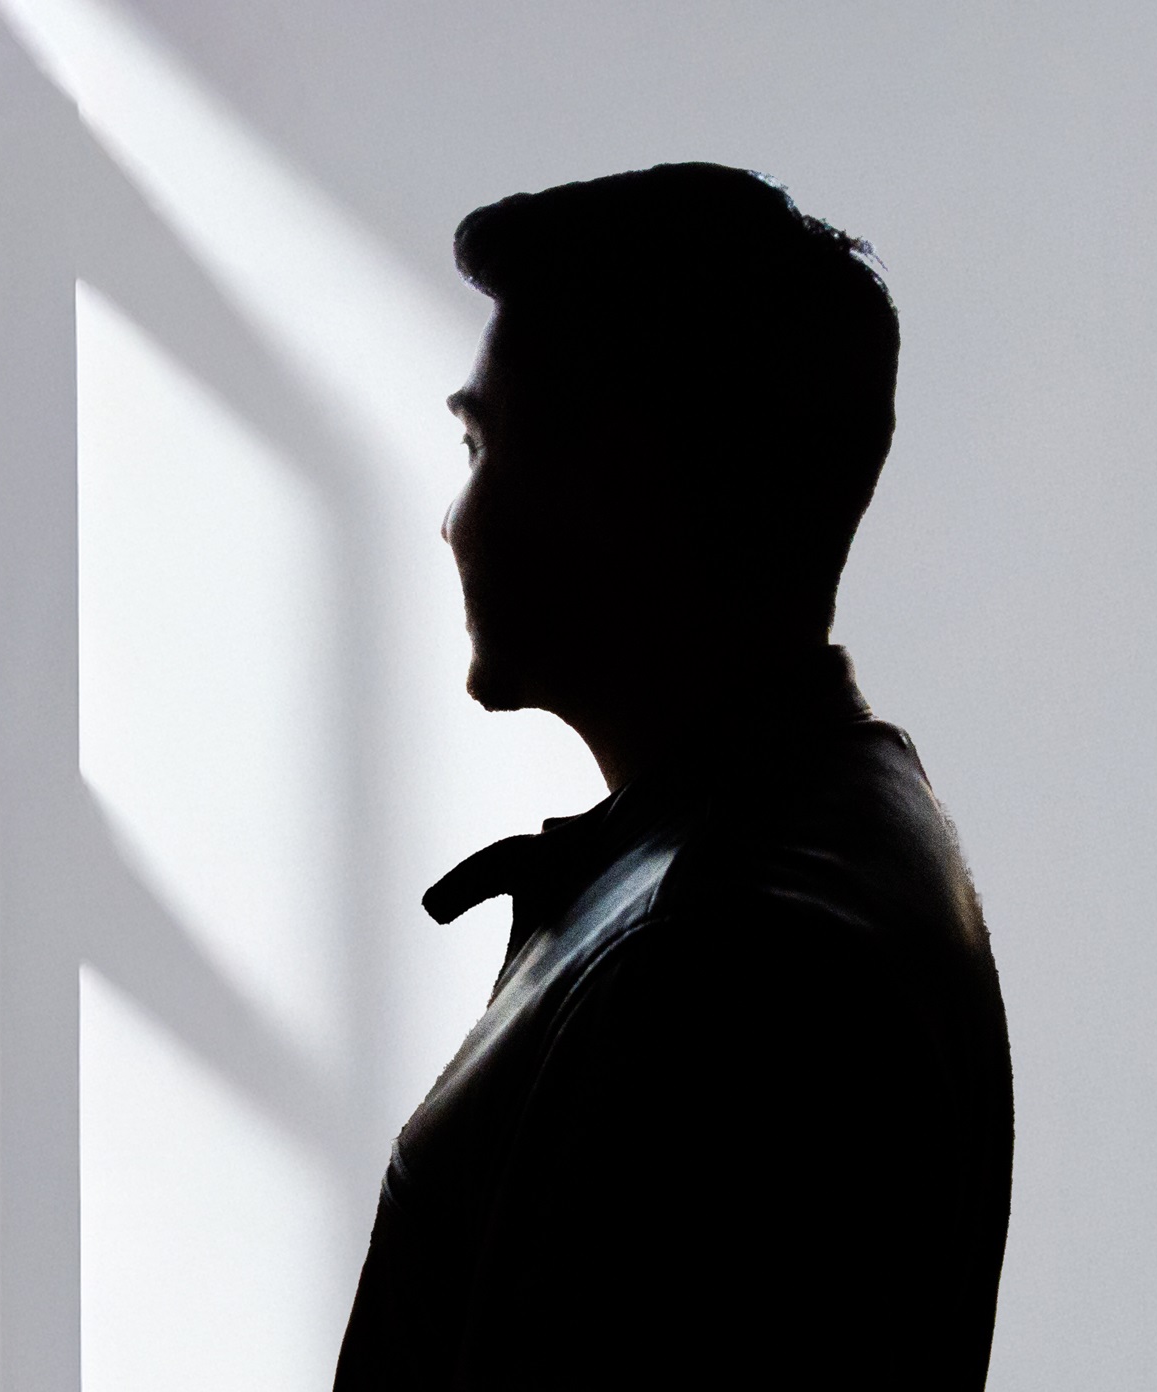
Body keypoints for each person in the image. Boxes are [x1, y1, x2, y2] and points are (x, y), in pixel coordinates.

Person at [333, 163, 1013, 1390]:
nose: (453, 520)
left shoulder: (734, 957)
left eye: (485, 445)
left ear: (622, 485)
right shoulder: (808, 842)